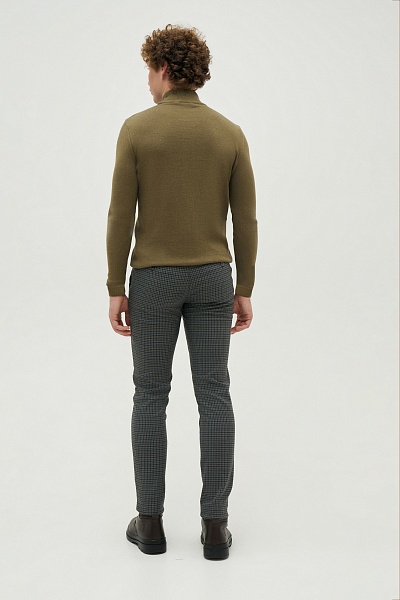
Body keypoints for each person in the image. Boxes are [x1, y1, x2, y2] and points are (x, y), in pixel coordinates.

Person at [106, 23, 258, 560]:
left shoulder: (137, 130)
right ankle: (215, 527)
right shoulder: (229, 133)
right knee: (214, 396)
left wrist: (115, 285)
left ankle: (150, 524)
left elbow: (121, 215)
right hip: (214, 277)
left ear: (164, 69)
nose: (147, 81)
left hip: (152, 280)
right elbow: (245, 219)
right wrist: (244, 286)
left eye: (149, 70)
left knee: (150, 395)